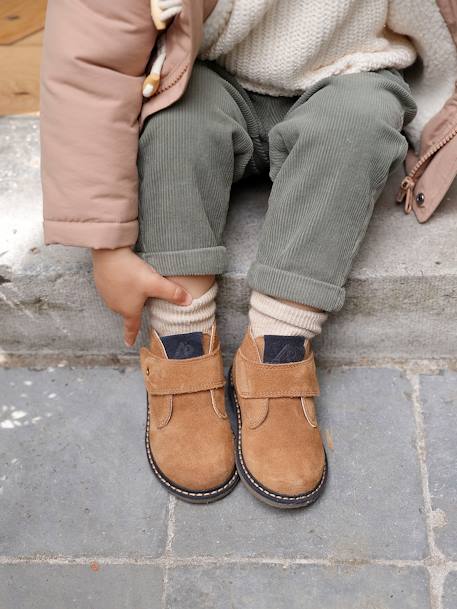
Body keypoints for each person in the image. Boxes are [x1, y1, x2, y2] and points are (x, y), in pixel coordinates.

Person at [40, 0, 457, 507]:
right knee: (175, 130)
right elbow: (88, 65)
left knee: (359, 127)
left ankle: (281, 347)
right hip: (207, 70)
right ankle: (181, 335)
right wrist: (107, 246)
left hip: (355, 69)